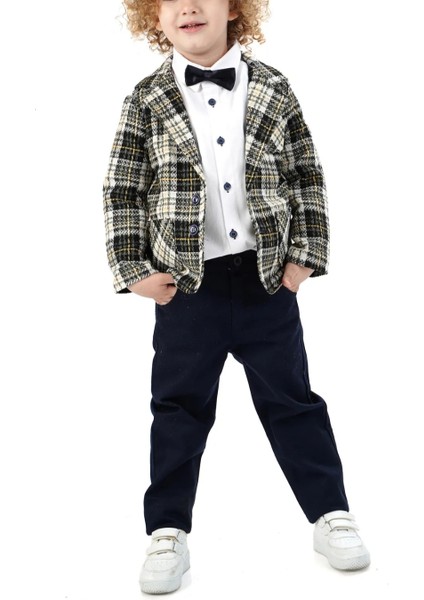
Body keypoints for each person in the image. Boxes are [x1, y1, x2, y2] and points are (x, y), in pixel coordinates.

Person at [103, 0, 370, 594]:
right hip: (186, 288)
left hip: (265, 280)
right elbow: (122, 187)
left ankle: (331, 512)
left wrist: (305, 255)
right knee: (178, 408)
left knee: (293, 400)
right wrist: (133, 269)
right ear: (153, 16)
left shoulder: (273, 86)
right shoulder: (146, 98)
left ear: (234, 8)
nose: (188, 7)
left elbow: (306, 174)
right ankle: (167, 529)